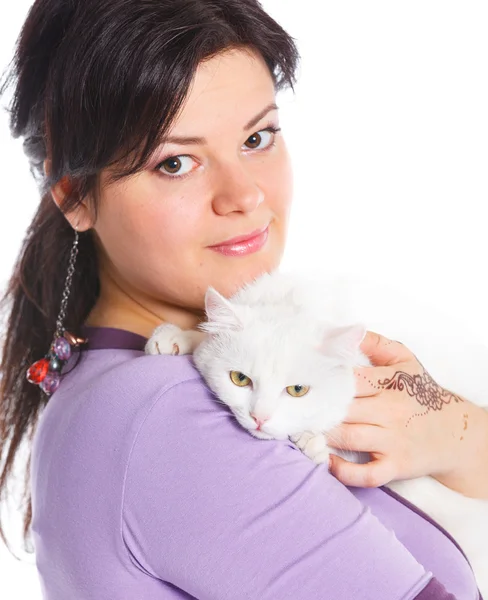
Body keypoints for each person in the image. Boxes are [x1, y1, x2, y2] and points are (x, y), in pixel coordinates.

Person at [0, 1, 486, 598]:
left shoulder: (125, 385)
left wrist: (458, 436)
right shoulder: (172, 417)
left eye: (258, 137)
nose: (245, 195)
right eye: (175, 162)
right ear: (75, 196)